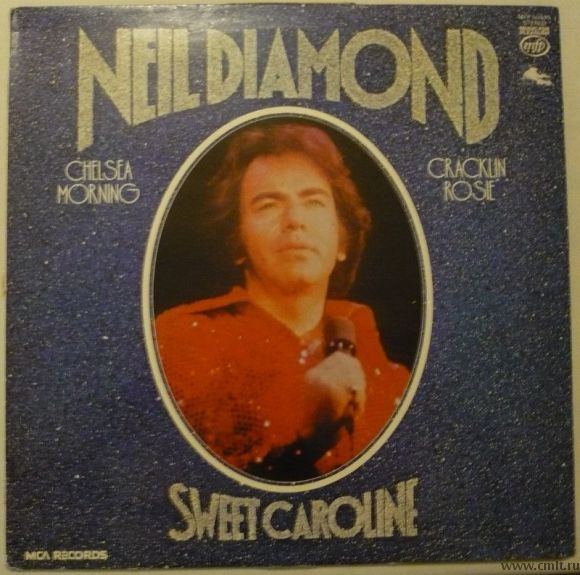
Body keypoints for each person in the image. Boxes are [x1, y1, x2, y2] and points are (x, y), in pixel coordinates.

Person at [155, 120, 409, 481]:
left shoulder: (390, 378)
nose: (294, 220)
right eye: (268, 205)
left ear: (342, 241)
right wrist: (310, 434)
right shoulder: (179, 345)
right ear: (237, 241)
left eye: (314, 201)